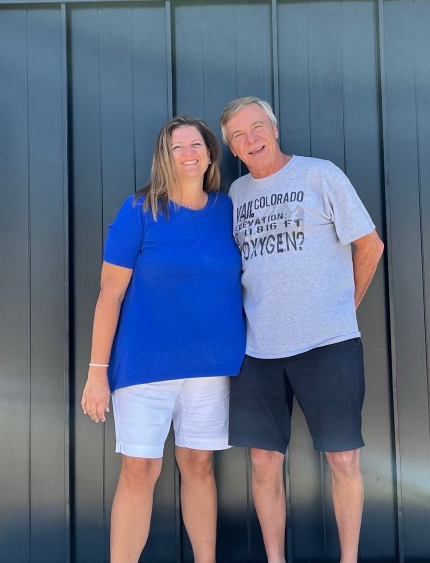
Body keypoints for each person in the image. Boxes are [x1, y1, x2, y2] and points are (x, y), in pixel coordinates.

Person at [220, 96, 384, 563]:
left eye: (257, 127)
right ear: (232, 148)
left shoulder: (319, 174)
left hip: (327, 345)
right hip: (258, 351)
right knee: (262, 461)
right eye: (238, 135)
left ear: (274, 128)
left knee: (343, 458)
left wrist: (344, 307)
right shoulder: (236, 194)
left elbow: (370, 245)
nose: (251, 139)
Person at [81, 116, 245, 563]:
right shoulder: (138, 211)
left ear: (210, 155)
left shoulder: (228, 210)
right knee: (139, 470)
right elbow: (109, 294)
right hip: (144, 368)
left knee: (199, 467)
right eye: (178, 147)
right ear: (164, 158)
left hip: (210, 369)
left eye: (197, 145)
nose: (189, 153)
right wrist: (97, 372)